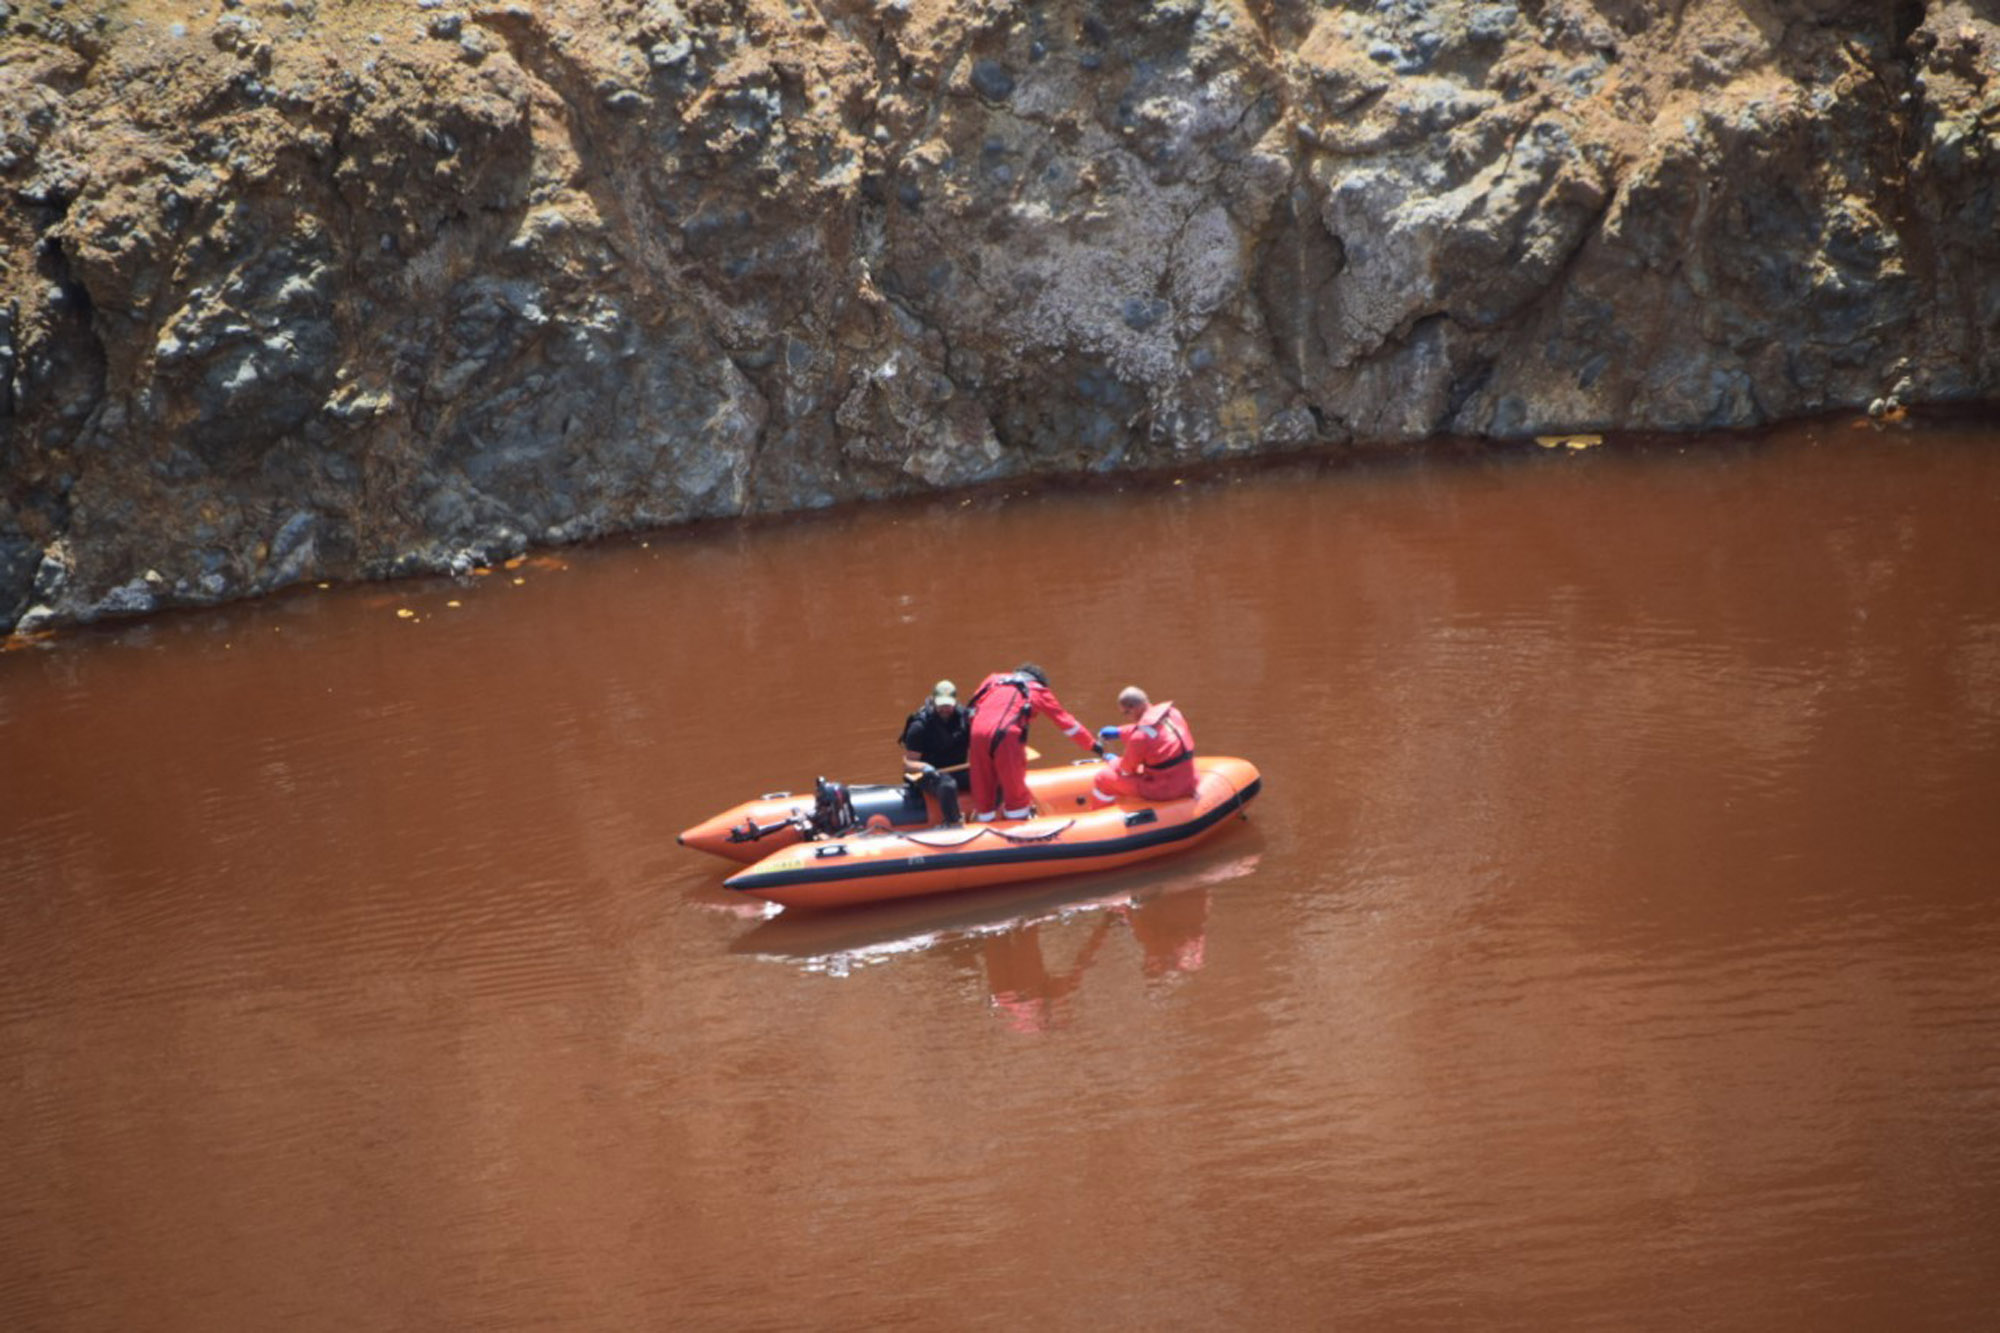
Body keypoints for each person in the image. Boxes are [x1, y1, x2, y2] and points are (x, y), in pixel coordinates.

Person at [965, 663, 1102, 821]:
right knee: (1015, 793)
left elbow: (973, 706)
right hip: (1007, 736)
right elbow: (1067, 723)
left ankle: (985, 824)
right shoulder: (1038, 690)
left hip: (977, 733)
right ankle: (1017, 825)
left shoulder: (993, 680)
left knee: (983, 787)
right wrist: (1093, 745)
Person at [1090, 685, 1196, 804]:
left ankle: (1099, 815)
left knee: (1103, 777)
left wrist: (1113, 761)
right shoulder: (1173, 713)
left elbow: (1126, 770)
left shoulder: (1140, 737)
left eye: (1125, 713)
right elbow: (1156, 733)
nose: (1127, 717)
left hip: (1165, 789)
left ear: (1132, 709)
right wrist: (1119, 732)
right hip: (1189, 780)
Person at [900, 679, 969, 826]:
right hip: (930, 776)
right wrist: (924, 767)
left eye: (948, 704)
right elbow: (908, 764)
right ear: (933, 701)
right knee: (947, 785)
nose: (945, 708)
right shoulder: (919, 727)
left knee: (988, 774)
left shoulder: (965, 719)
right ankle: (953, 823)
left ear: (955, 702)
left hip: (958, 769)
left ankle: (994, 814)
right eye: (941, 704)